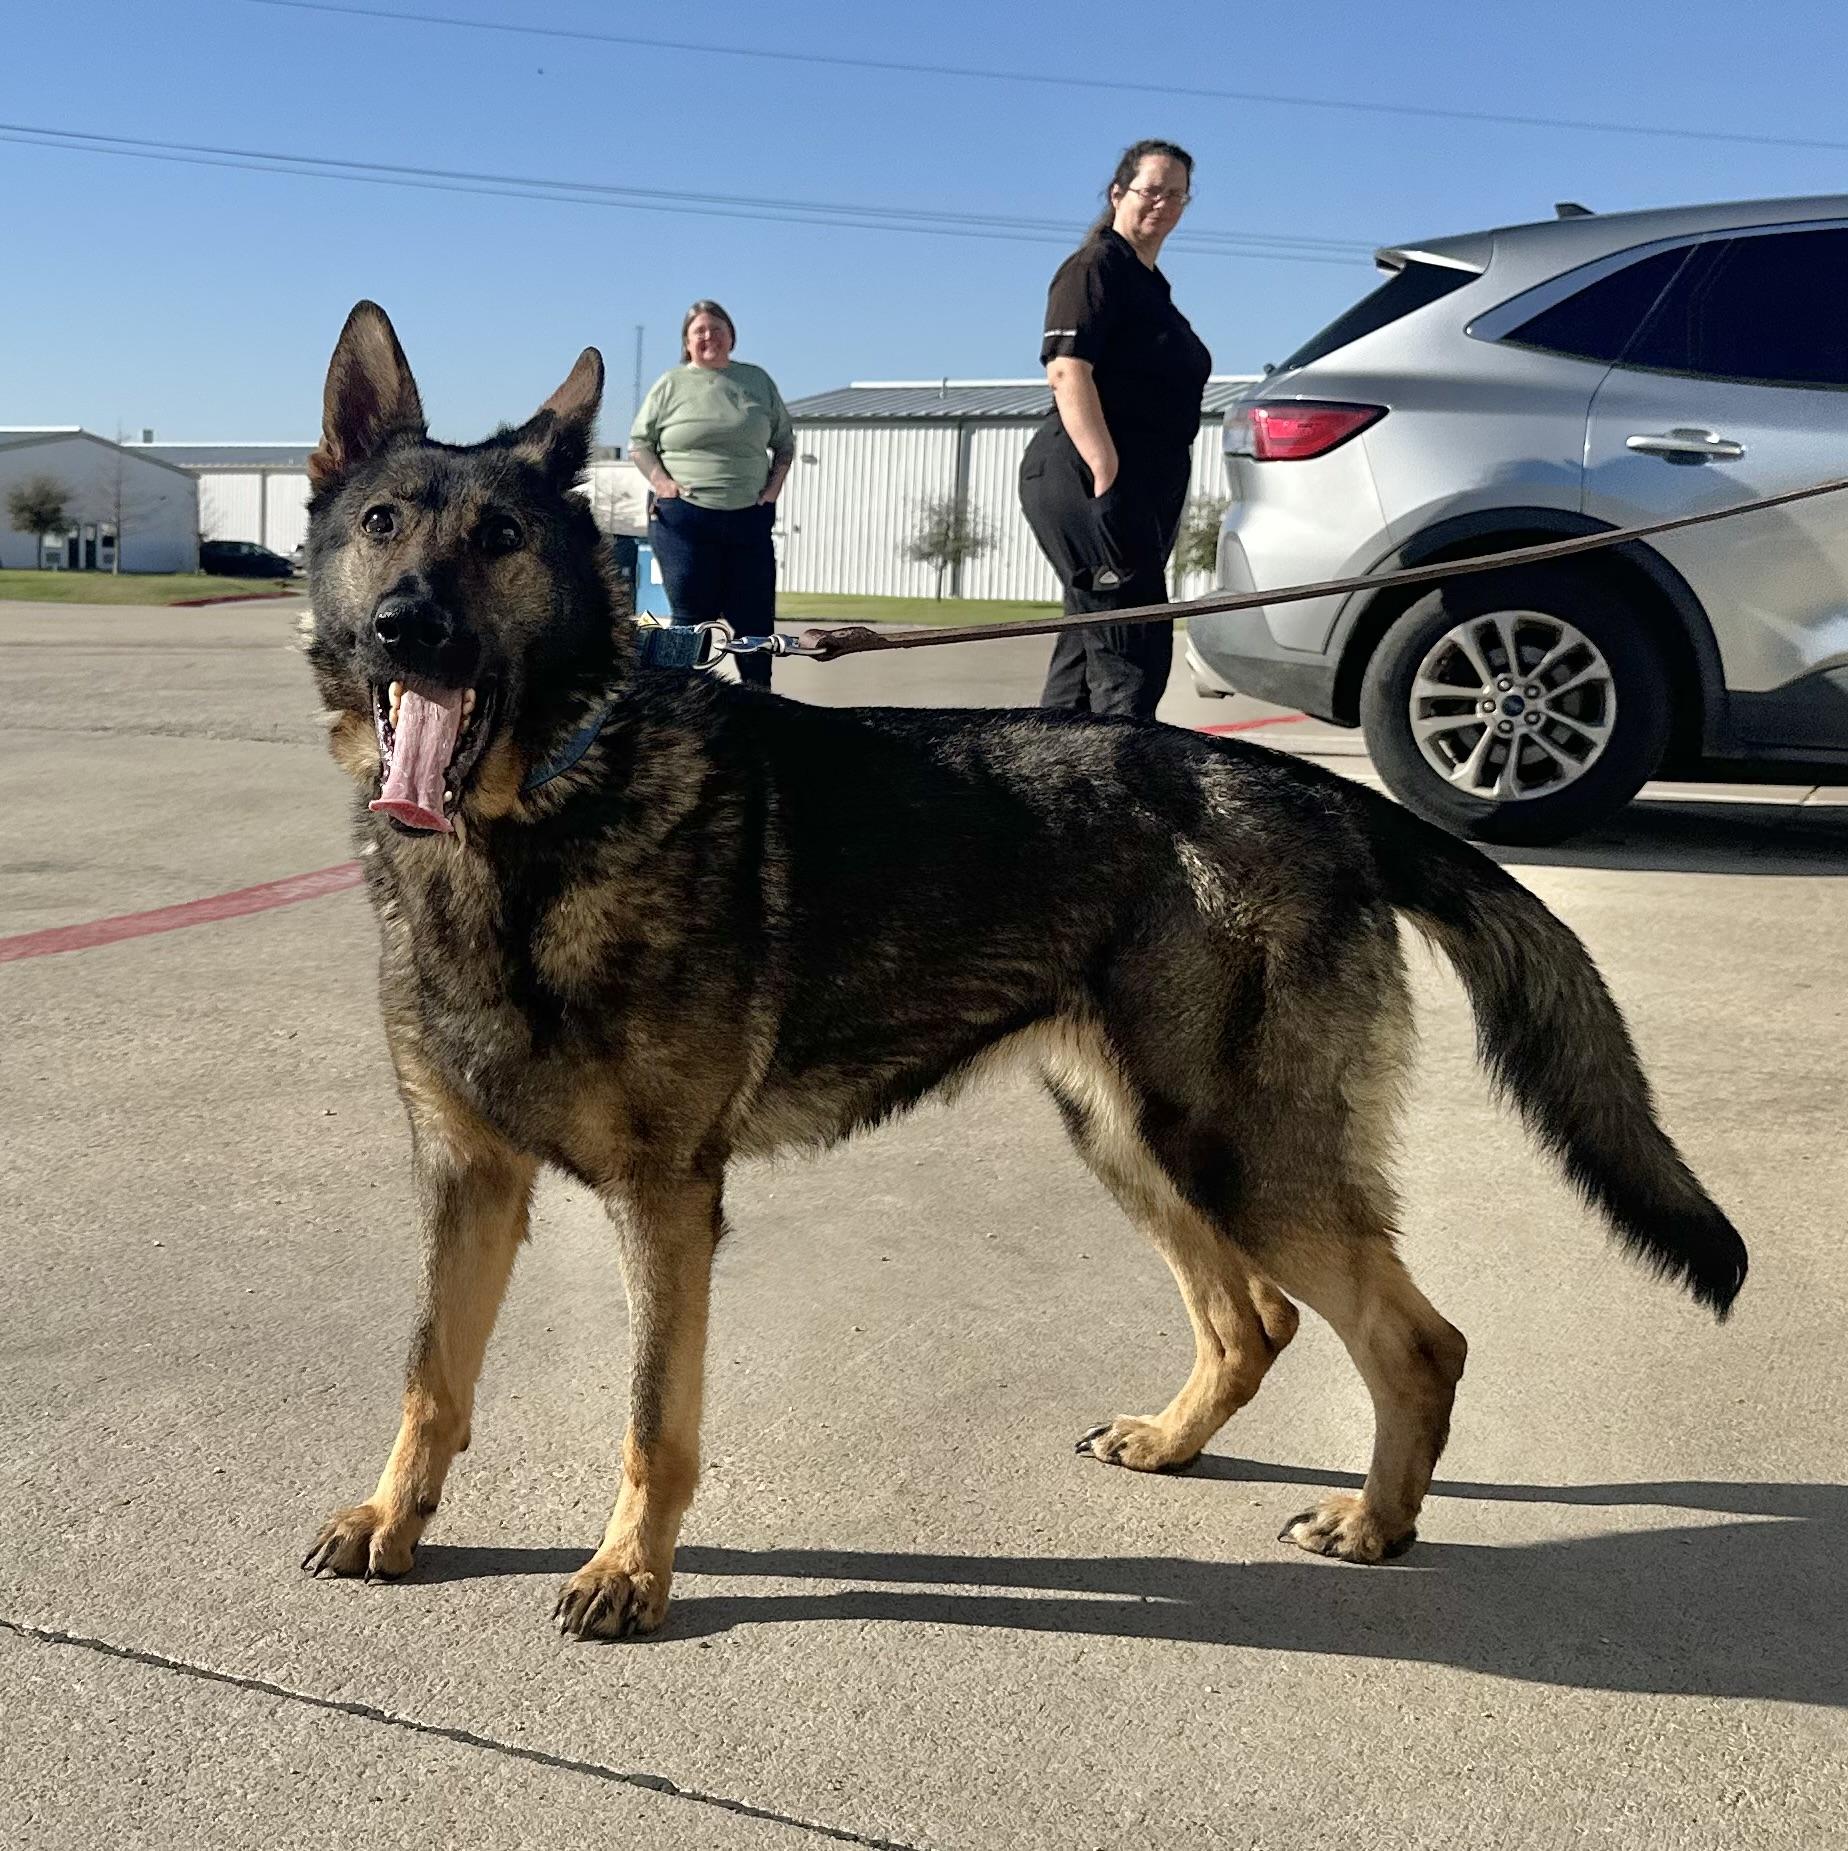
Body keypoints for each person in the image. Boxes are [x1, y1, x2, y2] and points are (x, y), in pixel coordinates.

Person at [1019, 139, 1212, 718]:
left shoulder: (1148, 283)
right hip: (1087, 473)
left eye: (1176, 194)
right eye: (1152, 189)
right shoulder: (1095, 266)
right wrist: (1106, 470)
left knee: (1089, 644)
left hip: (1135, 484)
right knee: (1132, 650)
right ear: (1118, 193)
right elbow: (1066, 369)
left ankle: (1052, 788)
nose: (1164, 203)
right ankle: (1126, 790)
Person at [630, 301, 795, 688]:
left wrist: (772, 491)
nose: (709, 337)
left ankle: (760, 703)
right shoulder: (671, 384)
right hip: (685, 518)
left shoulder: (755, 381)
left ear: (731, 336)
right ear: (687, 342)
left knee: (753, 619)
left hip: (748, 517)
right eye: (699, 331)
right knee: (691, 616)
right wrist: (662, 483)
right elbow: (639, 443)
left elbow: (784, 445)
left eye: (717, 329)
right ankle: (681, 703)